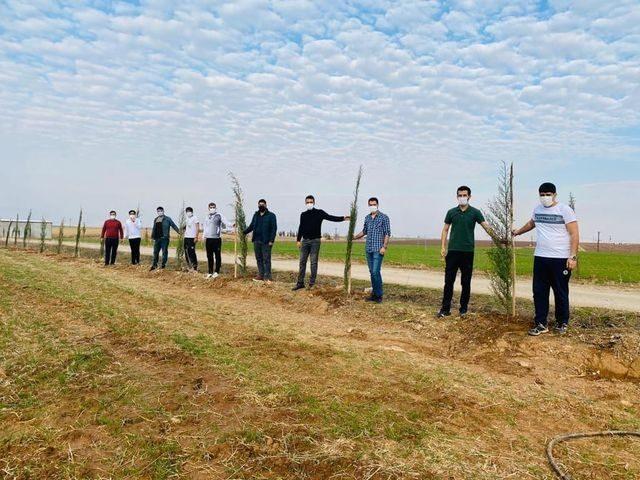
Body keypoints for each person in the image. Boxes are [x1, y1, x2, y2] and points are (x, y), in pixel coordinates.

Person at [513, 182, 579, 336]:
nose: (545, 197)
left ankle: (562, 322)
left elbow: (574, 234)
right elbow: (531, 223)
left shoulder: (565, 210)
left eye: (548, 194)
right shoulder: (537, 209)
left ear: (554, 195)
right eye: (542, 195)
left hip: (560, 258)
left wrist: (573, 256)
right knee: (539, 291)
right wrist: (518, 232)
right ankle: (541, 323)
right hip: (541, 257)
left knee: (560, 291)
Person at [437, 186, 502, 318]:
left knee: (465, 282)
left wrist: (497, 238)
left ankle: (463, 309)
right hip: (453, 251)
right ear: (457, 197)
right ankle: (445, 309)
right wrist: (443, 247)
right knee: (449, 281)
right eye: (460, 195)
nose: (462, 197)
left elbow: (486, 226)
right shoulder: (451, 212)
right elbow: (445, 230)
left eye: (464, 195)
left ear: (469, 197)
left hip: (467, 252)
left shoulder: (475, 212)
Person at [292, 195, 349, 290]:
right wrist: (298, 240)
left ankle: (312, 283)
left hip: (315, 241)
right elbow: (301, 227)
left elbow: (331, 217)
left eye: (311, 202)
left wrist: (343, 218)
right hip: (305, 241)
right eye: (307, 202)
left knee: (313, 263)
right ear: (305, 203)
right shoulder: (303, 214)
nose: (309, 203)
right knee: (302, 262)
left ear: (314, 203)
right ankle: (300, 283)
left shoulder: (319, 213)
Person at [353, 197, 391, 303]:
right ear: (368, 205)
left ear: (377, 205)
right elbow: (364, 231)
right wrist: (354, 237)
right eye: (370, 204)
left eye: (374, 204)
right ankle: (374, 294)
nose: (372, 206)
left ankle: (379, 295)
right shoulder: (367, 218)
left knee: (375, 272)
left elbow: (387, 233)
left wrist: (384, 247)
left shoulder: (384, 217)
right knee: (371, 272)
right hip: (369, 249)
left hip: (378, 249)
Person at [243, 199, 277, 282]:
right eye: (260, 204)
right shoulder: (256, 215)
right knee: (259, 259)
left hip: (266, 241)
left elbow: (274, 229)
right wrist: (243, 232)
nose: (261, 206)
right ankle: (261, 275)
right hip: (256, 240)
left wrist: (271, 240)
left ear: (266, 205)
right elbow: (251, 226)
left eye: (263, 204)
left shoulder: (271, 215)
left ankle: (268, 276)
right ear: (258, 205)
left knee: (266, 259)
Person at [202, 202, 232, 278]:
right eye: (211, 207)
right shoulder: (207, 217)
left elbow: (226, 222)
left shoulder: (219, 215)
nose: (212, 208)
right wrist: (203, 237)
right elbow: (205, 228)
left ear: (215, 208)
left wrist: (232, 225)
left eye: (213, 207)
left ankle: (217, 271)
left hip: (216, 239)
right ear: (208, 208)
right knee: (209, 256)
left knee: (217, 256)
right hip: (208, 239)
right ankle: (210, 271)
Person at [150, 206, 180, 271]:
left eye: (161, 211)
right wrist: (152, 237)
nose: (159, 212)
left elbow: (173, 225)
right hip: (157, 239)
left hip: (164, 238)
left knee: (164, 252)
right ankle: (154, 265)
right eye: (158, 211)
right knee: (155, 252)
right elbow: (154, 228)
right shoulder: (156, 219)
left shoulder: (168, 219)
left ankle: (163, 265)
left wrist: (179, 232)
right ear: (157, 212)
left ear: (163, 211)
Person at [183, 206, 199, 271]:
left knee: (192, 252)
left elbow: (197, 227)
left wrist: (196, 236)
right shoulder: (187, 218)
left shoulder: (195, 218)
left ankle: (195, 266)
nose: (188, 213)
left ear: (192, 212)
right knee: (186, 252)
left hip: (192, 237)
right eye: (187, 212)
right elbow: (186, 226)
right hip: (186, 237)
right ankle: (189, 266)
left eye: (189, 211)